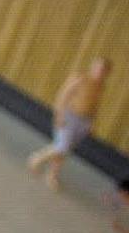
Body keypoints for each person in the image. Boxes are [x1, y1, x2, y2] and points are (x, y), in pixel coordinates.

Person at [25, 56, 109, 190]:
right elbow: (63, 95)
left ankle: (52, 175)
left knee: (65, 150)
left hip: (84, 121)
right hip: (70, 116)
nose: (100, 72)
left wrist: (92, 123)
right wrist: (59, 114)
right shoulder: (80, 78)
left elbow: (95, 105)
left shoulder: (100, 87)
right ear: (93, 67)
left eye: (103, 71)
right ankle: (37, 158)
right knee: (62, 146)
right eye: (98, 68)